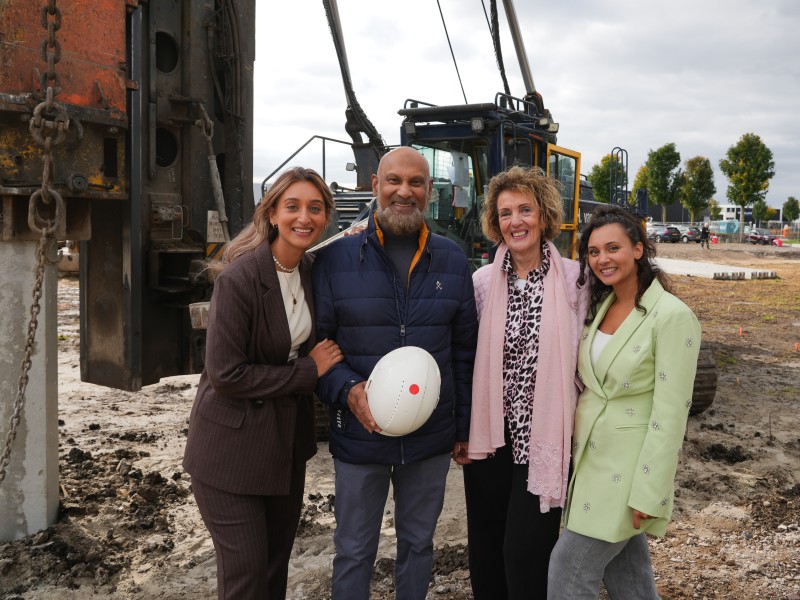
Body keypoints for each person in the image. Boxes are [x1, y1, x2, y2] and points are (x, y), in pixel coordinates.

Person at [312, 146, 478, 600]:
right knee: (353, 549)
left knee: (419, 545)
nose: (404, 192)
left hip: (429, 440)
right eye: (394, 181)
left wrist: (461, 427)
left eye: (416, 183)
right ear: (375, 187)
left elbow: (464, 352)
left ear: (429, 191)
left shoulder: (452, 260)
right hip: (360, 438)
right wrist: (347, 390)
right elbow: (319, 350)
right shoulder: (335, 260)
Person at [183, 167, 341, 599]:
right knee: (247, 578)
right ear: (271, 214)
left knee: (273, 573)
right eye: (292, 207)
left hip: (284, 447)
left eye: (314, 208)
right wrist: (308, 370)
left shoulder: (313, 271)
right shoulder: (239, 280)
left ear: (326, 216)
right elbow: (226, 374)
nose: (303, 217)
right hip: (230, 453)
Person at [548, 205, 701, 599]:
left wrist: (650, 491)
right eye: (593, 252)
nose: (601, 259)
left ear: (638, 249)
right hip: (590, 464)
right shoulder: (601, 306)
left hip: (629, 472)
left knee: (568, 570)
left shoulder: (672, 317)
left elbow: (671, 414)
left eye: (612, 247)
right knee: (627, 576)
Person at [463, 165, 588, 599]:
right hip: (491, 438)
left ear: (544, 215)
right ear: (495, 224)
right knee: (486, 548)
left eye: (525, 210)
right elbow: (465, 358)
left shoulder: (576, 281)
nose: (515, 221)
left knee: (524, 551)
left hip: (543, 441)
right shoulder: (481, 283)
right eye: (505, 213)